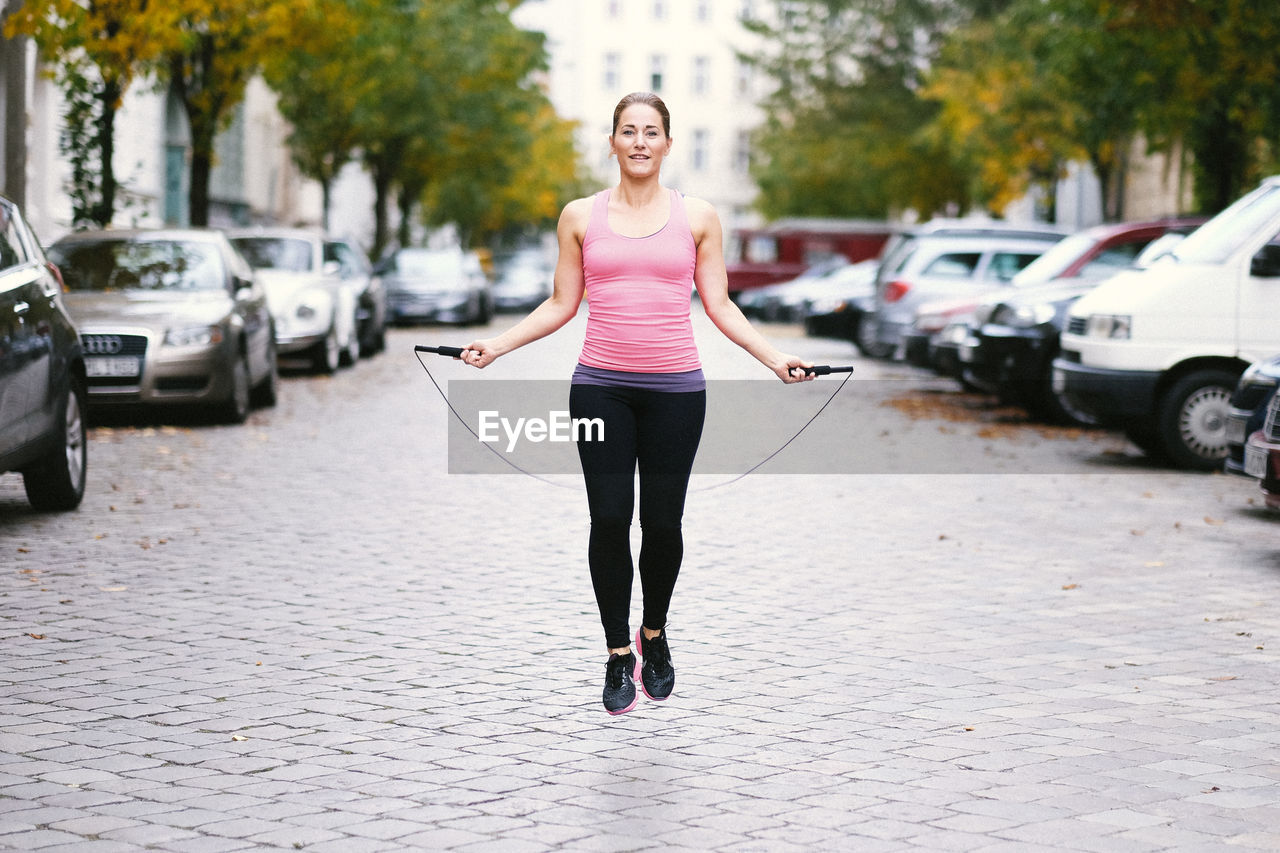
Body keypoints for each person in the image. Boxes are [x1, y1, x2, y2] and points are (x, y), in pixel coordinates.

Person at [461, 91, 815, 715]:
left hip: (677, 392)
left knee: (663, 524)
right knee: (607, 519)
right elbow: (560, 304)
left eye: (652, 131)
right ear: (613, 143)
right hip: (600, 388)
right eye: (629, 131)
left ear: (669, 145)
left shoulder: (699, 217)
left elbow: (721, 304)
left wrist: (773, 358)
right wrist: (498, 346)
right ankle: (616, 653)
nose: (641, 142)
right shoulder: (579, 216)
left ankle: (654, 633)